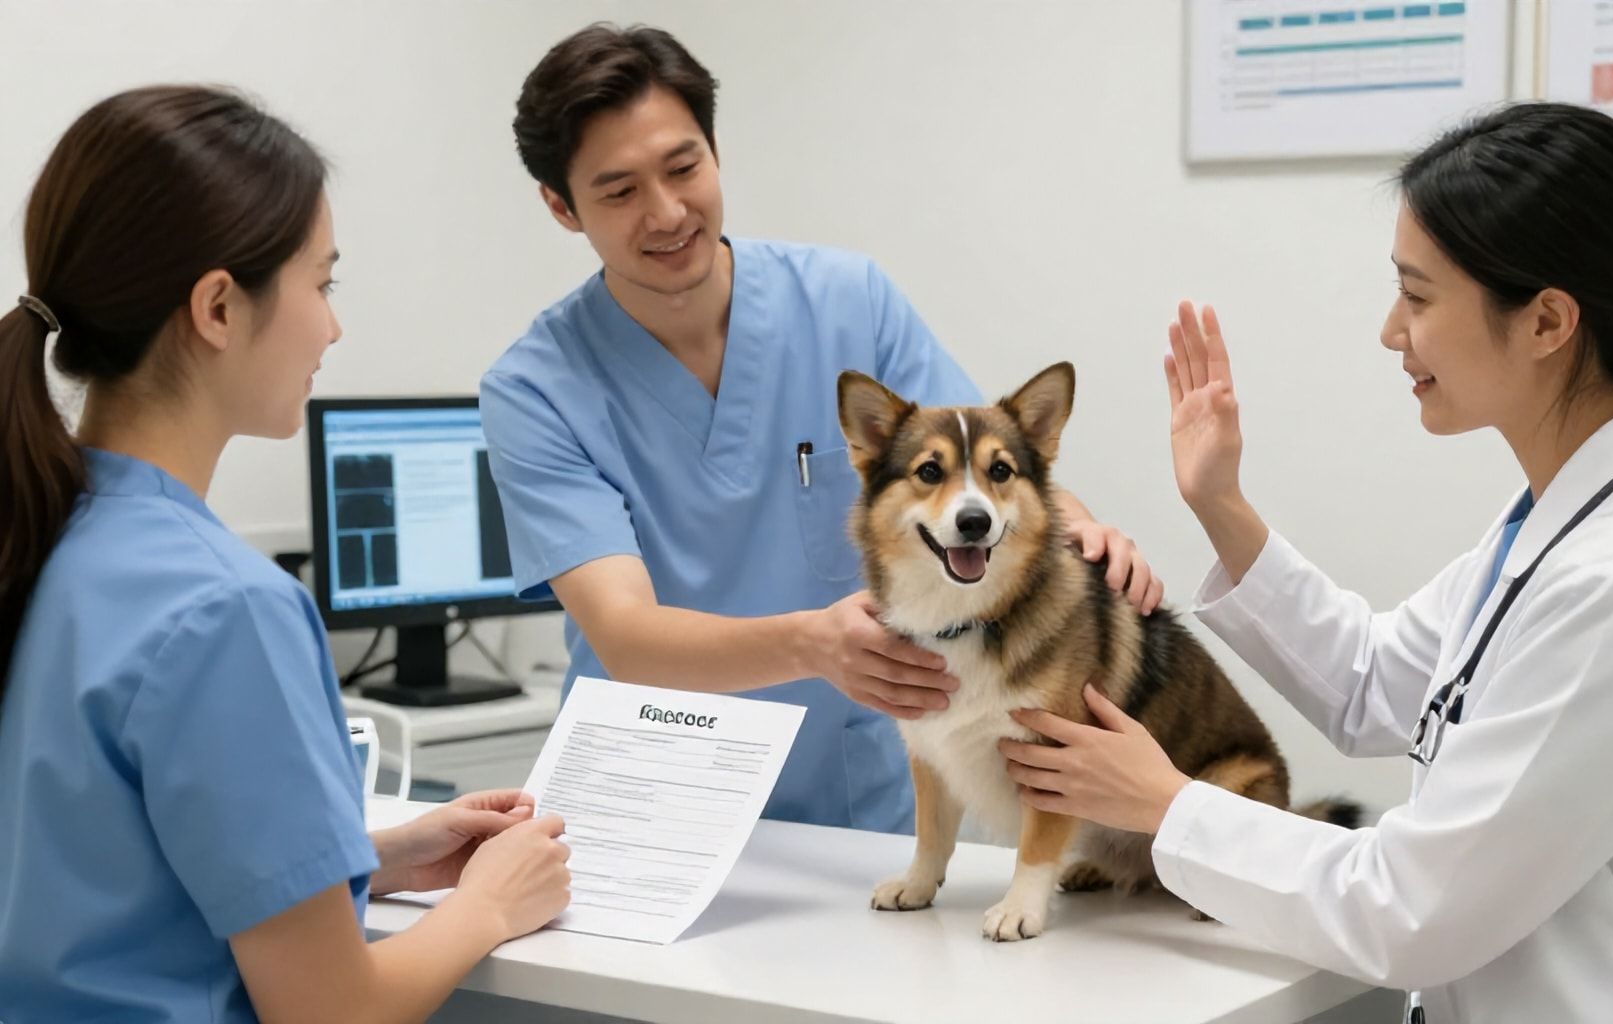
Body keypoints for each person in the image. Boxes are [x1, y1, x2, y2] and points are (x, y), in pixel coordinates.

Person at [1000, 102, 1613, 1022]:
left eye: (1417, 297)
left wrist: (1169, 804)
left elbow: (1412, 911)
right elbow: (1375, 683)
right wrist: (1220, 504)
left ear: (1546, 321)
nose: (1390, 329)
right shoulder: (1560, 523)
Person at [482, 23, 1161, 834]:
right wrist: (812, 646)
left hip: (854, 801)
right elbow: (626, 636)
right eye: (620, 192)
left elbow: (980, 461)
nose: (666, 213)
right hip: (653, 803)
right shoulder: (536, 389)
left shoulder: (849, 302)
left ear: (715, 150)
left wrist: (1084, 530)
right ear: (561, 206)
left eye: (684, 167)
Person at [0, 85, 572, 1023]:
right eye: (323, 284)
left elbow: (108, 876)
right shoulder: (225, 609)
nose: (332, 327)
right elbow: (333, 1012)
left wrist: (373, 860)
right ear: (219, 308)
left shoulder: (39, 533)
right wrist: (490, 905)